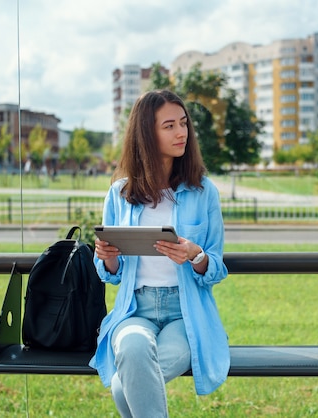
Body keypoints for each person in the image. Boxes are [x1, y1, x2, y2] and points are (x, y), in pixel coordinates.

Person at [89, 89, 230, 417]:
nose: (181, 132)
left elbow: (217, 267)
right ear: (146, 134)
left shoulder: (203, 192)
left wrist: (196, 255)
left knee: (128, 383)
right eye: (169, 126)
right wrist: (107, 254)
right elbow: (111, 273)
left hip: (187, 312)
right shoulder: (119, 194)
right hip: (135, 309)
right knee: (133, 348)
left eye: (183, 124)